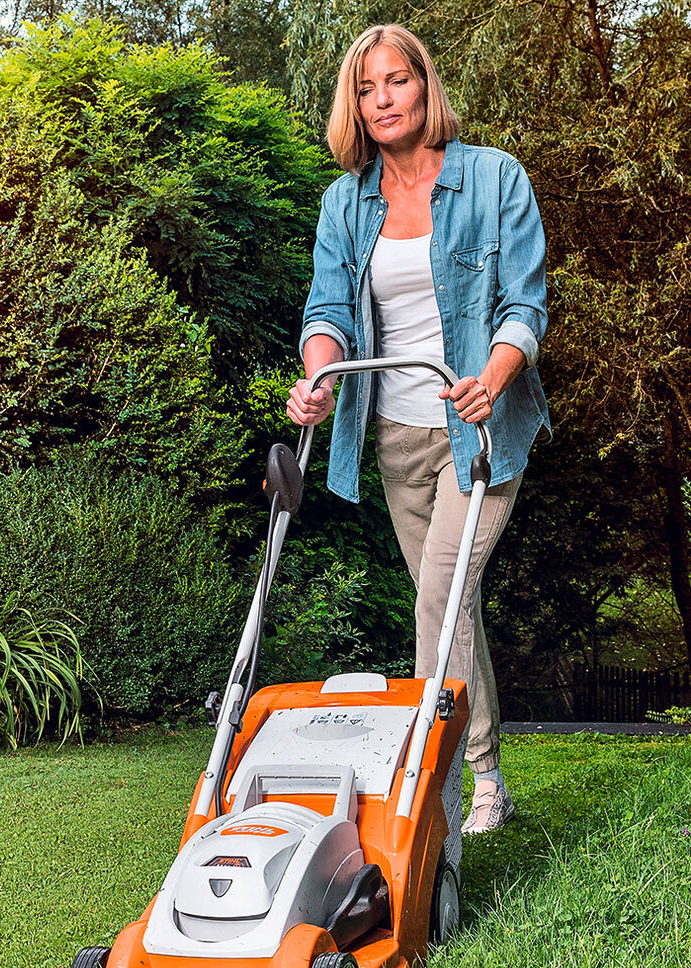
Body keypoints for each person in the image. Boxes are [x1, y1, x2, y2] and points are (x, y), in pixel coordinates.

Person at [286, 24, 551, 834]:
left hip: (476, 429)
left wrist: (491, 380)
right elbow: (327, 308)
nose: (381, 100)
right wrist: (318, 375)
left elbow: (524, 304)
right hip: (396, 437)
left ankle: (430, 793)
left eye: (395, 82)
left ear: (423, 86)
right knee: (450, 608)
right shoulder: (347, 199)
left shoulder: (492, 177)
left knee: (437, 602)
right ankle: (490, 778)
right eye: (365, 90)